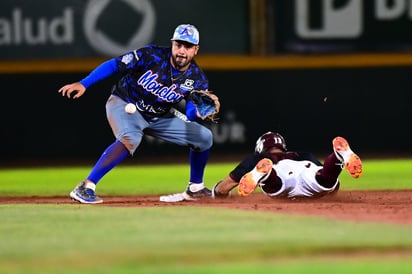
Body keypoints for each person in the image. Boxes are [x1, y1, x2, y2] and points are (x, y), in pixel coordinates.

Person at [58, 24, 216, 204]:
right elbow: (115, 65)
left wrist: (196, 113)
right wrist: (84, 83)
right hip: (125, 103)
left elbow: (189, 110)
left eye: (187, 47)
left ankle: (195, 188)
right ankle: (86, 186)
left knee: (204, 137)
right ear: (172, 44)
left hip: (158, 116)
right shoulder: (152, 55)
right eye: (178, 45)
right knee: (131, 137)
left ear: (196, 50)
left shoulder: (197, 77)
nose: (181, 51)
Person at [212, 132, 363, 199]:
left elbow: (224, 188)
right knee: (323, 178)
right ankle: (337, 157)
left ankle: (265, 174)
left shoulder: (258, 158)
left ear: (260, 147)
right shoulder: (303, 155)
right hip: (305, 168)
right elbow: (333, 187)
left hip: (280, 173)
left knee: (276, 185)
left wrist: (217, 192)